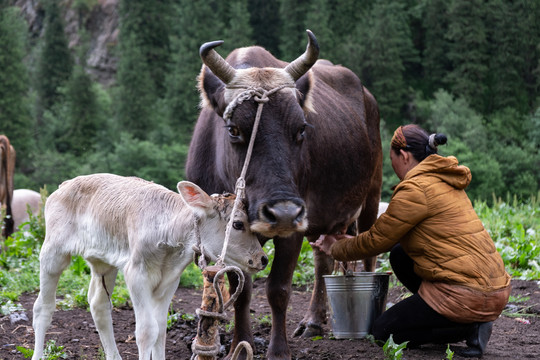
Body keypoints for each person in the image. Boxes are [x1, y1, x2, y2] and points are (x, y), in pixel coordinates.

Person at [313, 124, 511, 358]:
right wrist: (349, 240)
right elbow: (386, 236)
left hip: (466, 295)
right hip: (495, 290)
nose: (392, 165)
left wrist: (334, 247)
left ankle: (468, 326)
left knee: (384, 332)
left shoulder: (415, 189)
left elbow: (376, 241)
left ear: (404, 155)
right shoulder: (446, 182)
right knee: (400, 255)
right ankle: (455, 317)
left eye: (392, 159)